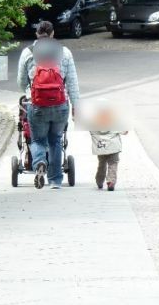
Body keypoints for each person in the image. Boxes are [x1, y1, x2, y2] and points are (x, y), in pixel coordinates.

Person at [17, 20, 80, 189]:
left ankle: (39, 164)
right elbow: (72, 82)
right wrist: (76, 106)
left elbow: (20, 81)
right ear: (52, 34)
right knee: (56, 140)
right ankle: (55, 180)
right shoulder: (64, 52)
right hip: (60, 105)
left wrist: (29, 90)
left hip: (37, 105)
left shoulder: (28, 52)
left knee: (37, 139)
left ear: (37, 34)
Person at [87, 101, 129, 191]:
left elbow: (91, 131)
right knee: (113, 163)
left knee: (101, 164)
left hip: (101, 147)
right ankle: (111, 182)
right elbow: (125, 131)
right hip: (113, 147)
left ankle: (99, 181)